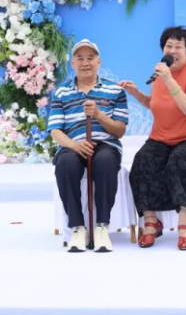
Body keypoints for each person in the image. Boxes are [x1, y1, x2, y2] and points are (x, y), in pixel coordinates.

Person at [119, 26, 186, 251]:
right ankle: (151, 222)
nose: (172, 50)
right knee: (142, 162)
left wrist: (169, 79)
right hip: (162, 139)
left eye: (178, 47)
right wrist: (136, 94)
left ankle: (185, 224)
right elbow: (156, 105)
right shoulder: (161, 75)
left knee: (180, 160)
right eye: (168, 46)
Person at [48, 39, 129, 253]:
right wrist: (74, 146)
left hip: (105, 144)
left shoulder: (115, 91)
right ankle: (77, 228)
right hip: (72, 145)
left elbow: (119, 130)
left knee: (105, 160)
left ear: (98, 62)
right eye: (80, 58)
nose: (86, 63)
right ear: (73, 63)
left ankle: (102, 227)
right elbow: (55, 130)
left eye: (90, 58)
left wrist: (99, 115)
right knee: (65, 163)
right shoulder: (61, 92)